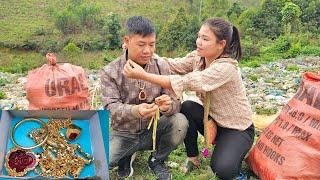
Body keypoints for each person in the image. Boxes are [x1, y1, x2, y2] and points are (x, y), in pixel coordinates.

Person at [123, 17, 255, 180]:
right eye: (199, 36)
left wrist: (143, 75)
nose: (199, 42)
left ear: (221, 44)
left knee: (223, 170)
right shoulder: (198, 57)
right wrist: (142, 51)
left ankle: (234, 155)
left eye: (205, 39)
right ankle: (193, 157)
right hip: (213, 121)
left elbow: (185, 82)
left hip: (236, 129)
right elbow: (170, 65)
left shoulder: (226, 68)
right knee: (187, 107)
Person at [101, 16, 188, 180]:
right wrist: (136, 111)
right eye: (141, 44)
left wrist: (167, 106)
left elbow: (176, 100)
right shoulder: (110, 71)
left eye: (152, 44)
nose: (147, 50)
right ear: (126, 40)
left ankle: (157, 160)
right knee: (100, 163)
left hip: (153, 130)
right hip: (124, 133)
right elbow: (109, 108)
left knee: (179, 121)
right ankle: (126, 156)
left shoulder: (161, 65)